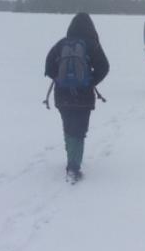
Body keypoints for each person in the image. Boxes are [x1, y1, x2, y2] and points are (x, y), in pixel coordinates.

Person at [45, 13, 110, 183]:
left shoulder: (61, 44)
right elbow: (104, 67)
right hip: (84, 96)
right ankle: (73, 167)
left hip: (62, 95)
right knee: (79, 130)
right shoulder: (92, 45)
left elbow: (48, 65)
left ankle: (71, 158)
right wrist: (90, 81)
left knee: (68, 126)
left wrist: (60, 79)